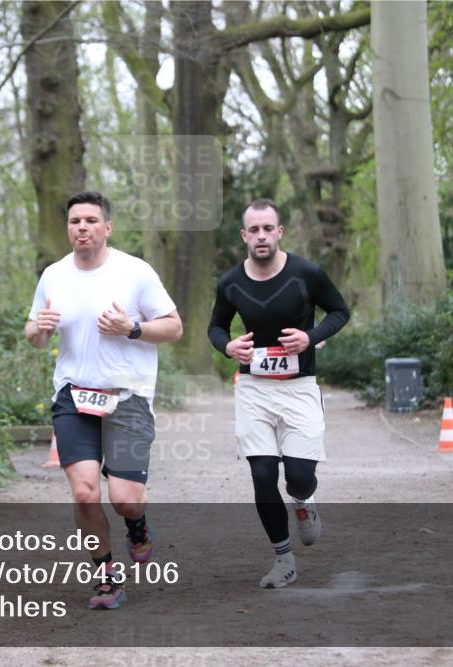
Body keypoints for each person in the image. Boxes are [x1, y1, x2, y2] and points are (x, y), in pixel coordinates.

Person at [25, 191, 182, 609]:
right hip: (73, 397)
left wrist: (132, 328)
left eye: (91, 220)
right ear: (68, 228)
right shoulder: (53, 275)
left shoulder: (135, 272)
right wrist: (38, 329)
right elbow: (35, 335)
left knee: (126, 499)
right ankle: (106, 579)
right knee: (84, 492)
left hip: (127, 398)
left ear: (107, 228)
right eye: (75, 221)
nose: (82, 227)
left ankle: (138, 525)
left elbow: (174, 327)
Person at [208, 198, 349, 589]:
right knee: (263, 474)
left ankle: (303, 501)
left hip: (300, 388)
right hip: (254, 389)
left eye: (268, 228)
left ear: (280, 231)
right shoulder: (231, 282)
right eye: (253, 230)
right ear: (244, 236)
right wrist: (227, 347)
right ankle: (283, 560)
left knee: (299, 478)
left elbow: (340, 312)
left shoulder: (307, 273)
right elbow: (216, 327)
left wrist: (311, 337)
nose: (261, 236)